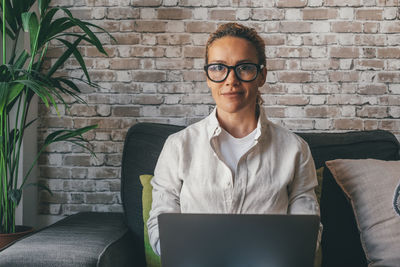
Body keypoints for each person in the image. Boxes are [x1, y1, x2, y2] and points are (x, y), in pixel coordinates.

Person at [147, 22, 321, 256]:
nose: (231, 80)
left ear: (262, 76)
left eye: (244, 68)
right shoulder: (178, 146)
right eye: (219, 67)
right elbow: (159, 225)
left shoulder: (295, 149)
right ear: (207, 77)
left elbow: (307, 232)